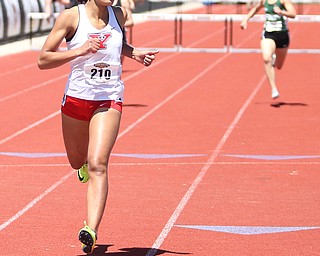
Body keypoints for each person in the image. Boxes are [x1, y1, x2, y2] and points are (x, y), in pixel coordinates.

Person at [37, 0, 158, 254]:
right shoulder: (71, 18)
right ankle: (81, 166)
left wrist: (132, 51)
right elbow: (43, 59)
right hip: (76, 98)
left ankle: (90, 229)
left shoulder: (119, 15)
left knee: (98, 164)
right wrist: (79, 50)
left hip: (109, 97)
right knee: (76, 160)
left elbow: (115, 42)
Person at [240, 0, 296, 99]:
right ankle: (274, 88)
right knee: (266, 58)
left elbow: (293, 14)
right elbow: (255, 9)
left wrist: (282, 12)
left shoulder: (283, 1)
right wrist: (246, 19)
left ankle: (273, 59)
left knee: (279, 66)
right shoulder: (264, 1)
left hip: (282, 35)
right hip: (268, 33)